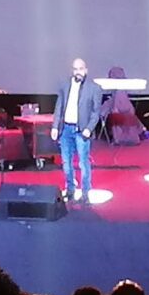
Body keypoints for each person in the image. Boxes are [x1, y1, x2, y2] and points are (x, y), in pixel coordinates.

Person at [51, 58, 103, 203]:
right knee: (66, 163)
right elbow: (59, 107)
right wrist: (55, 126)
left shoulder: (94, 88)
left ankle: (85, 193)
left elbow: (95, 113)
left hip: (82, 131)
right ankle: (70, 190)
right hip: (66, 129)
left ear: (86, 70)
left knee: (83, 163)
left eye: (80, 69)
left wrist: (89, 129)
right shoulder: (65, 85)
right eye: (75, 69)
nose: (78, 72)